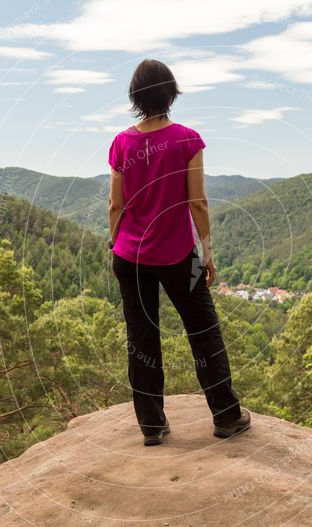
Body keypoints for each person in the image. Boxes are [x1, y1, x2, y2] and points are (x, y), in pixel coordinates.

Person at [107, 59, 251, 446]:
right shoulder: (187, 139)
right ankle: (226, 416)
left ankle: (151, 426)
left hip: (129, 257)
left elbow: (115, 206)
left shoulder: (122, 142)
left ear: (135, 96)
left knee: (142, 338)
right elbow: (198, 202)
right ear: (171, 93)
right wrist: (206, 252)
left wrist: (114, 244)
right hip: (177, 255)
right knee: (204, 333)